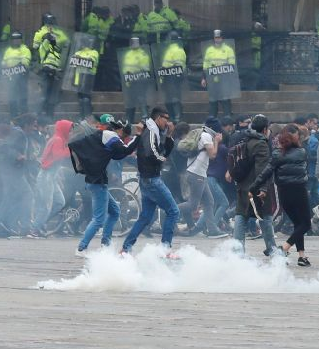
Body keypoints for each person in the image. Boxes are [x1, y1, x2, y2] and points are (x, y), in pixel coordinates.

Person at [71, 119, 142, 256]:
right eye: (124, 136)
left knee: (114, 211)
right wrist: (138, 135)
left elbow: (119, 154)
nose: (123, 139)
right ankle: (81, 248)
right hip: (97, 182)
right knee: (98, 219)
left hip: (97, 180)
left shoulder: (104, 135)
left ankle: (106, 244)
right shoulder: (111, 136)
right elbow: (125, 150)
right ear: (120, 130)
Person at [121, 107, 181, 255]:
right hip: (152, 180)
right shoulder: (150, 131)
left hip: (148, 179)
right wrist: (163, 160)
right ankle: (165, 249)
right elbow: (152, 153)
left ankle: (125, 248)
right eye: (165, 119)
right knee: (173, 211)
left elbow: (164, 149)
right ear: (158, 118)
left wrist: (169, 135)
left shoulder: (156, 132)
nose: (167, 122)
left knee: (145, 217)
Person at [249, 124, 312, 266]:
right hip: (299, 191)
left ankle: (302, 256)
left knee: (298, 224)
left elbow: (266, 172)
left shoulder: (277, 153)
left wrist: (254, 186)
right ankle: (283, 249)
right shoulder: (302, 152)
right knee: (305, 224)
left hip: (284, 192)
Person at [229, 114, 277, 257]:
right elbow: (262, 169)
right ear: (265, 129)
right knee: (266, 217)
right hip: (256, 187)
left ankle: (237, 252)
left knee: (241, 215)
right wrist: (262, 188)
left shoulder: (245, 139)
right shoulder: (261, 144)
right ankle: (273, 250)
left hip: (242, 185)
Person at [177, 117, 228, 239]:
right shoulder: (206, 136)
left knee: (209, 202)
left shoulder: (204, 134)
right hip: (196, 174)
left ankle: (212, 230)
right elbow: (212, 155)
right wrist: (217, 141)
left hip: (200, 174)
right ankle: (169, 210)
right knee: (193, 205)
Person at [0, 114, 40, 237]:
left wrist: (31, 159)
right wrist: (17, 155)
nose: (35, 128)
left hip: (14, 170)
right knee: (28, 194)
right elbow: (4, 147)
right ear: (27, 125)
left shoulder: (23, 135)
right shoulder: (18, 134)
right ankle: (25, 227)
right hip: (11, 171)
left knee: (9, 197)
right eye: (33, 125)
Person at [32, 120, 74, 236]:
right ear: (64, 130)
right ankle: (34, 229)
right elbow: (58, 155)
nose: (71, 133)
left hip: (51, 177)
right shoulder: (58, 140)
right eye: (69, 131)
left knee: (60, 202)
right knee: (46, 205)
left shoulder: (59, 139)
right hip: (46, 176)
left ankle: (40, 223)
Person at [32, 14, 69, 122]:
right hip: (52, 68)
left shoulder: (41, 33)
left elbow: (35, 48)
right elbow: (67, 45)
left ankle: (43, 117)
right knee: (48, 94)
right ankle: (45, 117)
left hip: (49, 67)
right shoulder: (57, 33)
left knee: (47, 94)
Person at [202, 29, 236, 118]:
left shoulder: (228, 50)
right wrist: (203, 78)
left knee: (225, 100)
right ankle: (212, 119)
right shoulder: (209, 50)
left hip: (224, 79)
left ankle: (228, 119)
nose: (217, 39)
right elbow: (206, 65)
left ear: (222, 38)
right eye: (216, 38)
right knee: (213, 101)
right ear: (214, 38)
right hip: (212, 80)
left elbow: (231, 65)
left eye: (219, 37)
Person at [0, 32, 32, 118]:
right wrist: (4, 66)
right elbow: (4, 61)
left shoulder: (25, 49)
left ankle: (24, 113)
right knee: (12, 95)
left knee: (22, 94)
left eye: (18, 39)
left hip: (21, 75)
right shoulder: (8, 50)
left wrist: (19, 66)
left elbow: (26, 61)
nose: (16, 41)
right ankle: (13, 115)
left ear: (21, 40)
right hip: (11, 76)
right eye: (14, 39)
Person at [157, 31, 187, 122]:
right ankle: (172, 117)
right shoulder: (169, 50)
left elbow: (179, 66)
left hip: (174, 78)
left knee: (175, 99)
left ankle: (178, 117)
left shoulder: (178, 50)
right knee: (168, 100)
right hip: (168, 78)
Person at [120, 37, 152, 123]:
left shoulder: (142, 54)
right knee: (130, 100)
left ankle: (145, 117)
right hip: (130, 81)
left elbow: (145, 68)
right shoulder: (128, 54)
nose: (134, 44)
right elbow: (125, 68)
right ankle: (129, 119)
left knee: (141, 98)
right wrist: (127, 78)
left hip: (140, 80)